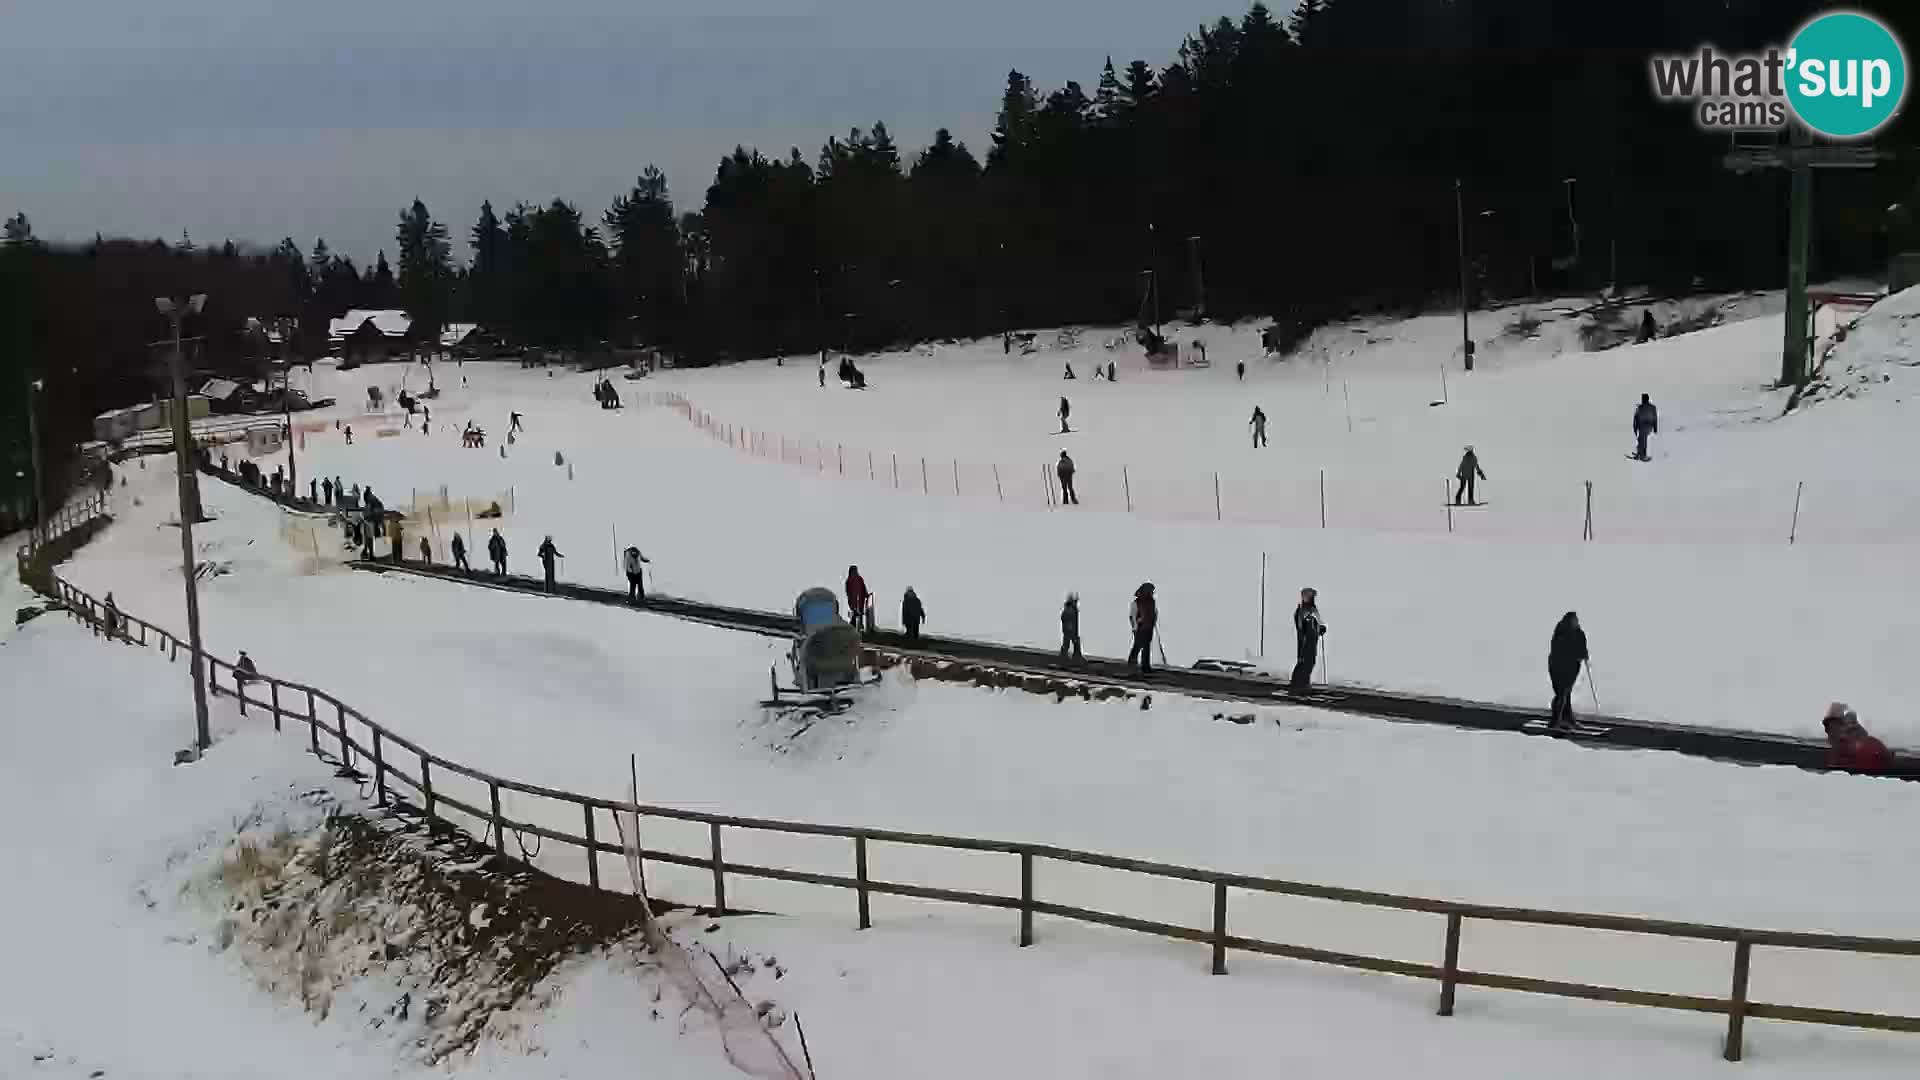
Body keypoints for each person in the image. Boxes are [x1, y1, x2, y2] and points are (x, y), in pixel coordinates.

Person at [1823, 704, 1893, 774]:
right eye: (1828, 729)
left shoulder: (1847, 749)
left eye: (1832, 727)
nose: (1829, 734)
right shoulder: (1871, 742)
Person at [1548, 611, 1588, 731]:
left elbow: (1582, 649)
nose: (1576, 622)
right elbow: (1564, 650)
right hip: (1559, 667)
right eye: (1574, 620)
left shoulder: (1578, 633)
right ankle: (1556, 721)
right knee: (1562, 694)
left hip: (1571, 667)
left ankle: (1567, 718)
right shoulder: (1561, 633)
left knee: (1566, 693)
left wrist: (1584, 654)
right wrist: (1579, 653)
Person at [1290, 588, 1325, 691]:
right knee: (1304, 662)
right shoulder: (1301, 611)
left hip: (1313, 640)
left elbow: (1318, 623)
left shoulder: (1313, 609)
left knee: (1310, 662)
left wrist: (1321, 629)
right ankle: (1298, 685)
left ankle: (1303, 683)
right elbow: (1301, 627)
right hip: (1305, 640)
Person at [1127, 583, 1157, 674]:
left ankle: (1145, 667)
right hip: (1140, 628)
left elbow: (1154, 613)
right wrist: (1135, 628)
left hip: (1148, 627)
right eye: (1151, 591)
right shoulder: (1136, 603)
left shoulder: (1151, 602)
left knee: (1146, 648)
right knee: (1137, 646)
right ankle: (1132, 665)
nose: (1152, 593)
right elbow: (1132, 616)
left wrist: (1153, 622)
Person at [845, 565, 872, 632]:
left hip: (860, 600)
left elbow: (863, 587)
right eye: (854, 570)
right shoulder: (849, 580)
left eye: (855, 570)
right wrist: (850, 601)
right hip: (853, 601)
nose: (855, 571)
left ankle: (859, 627)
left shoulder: (859, 579)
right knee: (855, 614)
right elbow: (848, 592)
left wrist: (866, 595)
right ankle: (853, 628)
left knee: (859, 614)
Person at [1632, 394, 1658, 461]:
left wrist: (1655, 428)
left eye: (1643, 399)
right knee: (1640, 438)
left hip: (1647, 425)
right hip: (1642, 426)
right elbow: (1636, 418)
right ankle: (1639, 453)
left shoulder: (1651, 407)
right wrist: (1635, 427)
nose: (1643, 400)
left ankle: (1643, 455)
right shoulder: (1641, 407)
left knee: (1642, 438)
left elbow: (1655, 418)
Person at [1060, 593, 1083, 662]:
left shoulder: (1072, 609)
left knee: (1071, 642)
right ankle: (1070, 657)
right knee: (1070, 642)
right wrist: (1069, 628)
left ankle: (1074, 656)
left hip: (1072, 630)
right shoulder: (1070, 610)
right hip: (1070, 629)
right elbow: (1065, 618)